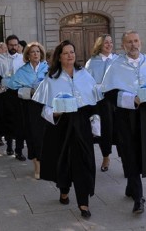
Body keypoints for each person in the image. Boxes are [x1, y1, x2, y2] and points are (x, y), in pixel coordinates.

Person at [101, 30, 146, 214]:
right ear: (123, 46)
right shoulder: (116, 65)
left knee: (141, 151)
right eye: (129, 42)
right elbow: (108, 93)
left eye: (136, 41)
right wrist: (133, 100)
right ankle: (139, 198)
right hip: (124, 116)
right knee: (129, 153)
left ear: (141, 42)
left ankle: (131, 186)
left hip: (145, 116)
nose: (133, 44)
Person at [32, 40, 101, 218]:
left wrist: (95, 124)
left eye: (72, 52)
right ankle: (64, 189)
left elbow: (94, 103)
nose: (70, 55)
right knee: (63, 160)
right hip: (61, 126)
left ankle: (83, 203)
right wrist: (55, 114)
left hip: (82, 124)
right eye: (66, 53)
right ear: (59, 57)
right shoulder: (51, 78)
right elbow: (43, 109)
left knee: (83, 161)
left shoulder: (84, 74)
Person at [2, 41, 48, 179]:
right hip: (29, 108)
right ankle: (37, 166)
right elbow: (12, 88)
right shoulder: (22, 71)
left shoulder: (48, 69)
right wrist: (28, 91)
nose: (36, 54)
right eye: (33, 52)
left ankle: (45, 163)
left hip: (45, 106)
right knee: (33, 137)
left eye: (38, 51)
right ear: (27, 55)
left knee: (45, 137)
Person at [0, 35, 25, 160]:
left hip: (20, 94)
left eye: (15, 45)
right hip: (6, 94)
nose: (13, 47)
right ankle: (9, 146)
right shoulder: (1, 58)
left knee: (20, 122)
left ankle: (19, 150)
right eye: (11, 45)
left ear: (18, 45)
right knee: (8, 120)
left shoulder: (23, 59)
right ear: (7, 45)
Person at [85, 34, 118, 172]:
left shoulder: (118, 60)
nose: (109, 45)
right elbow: (87, 82)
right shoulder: (92, 62)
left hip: (119, 99)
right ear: (100, 45)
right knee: (105, 130)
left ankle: (127, 158)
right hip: (102, 101)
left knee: (121, 130)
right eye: (106, 42)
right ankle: (106, 157)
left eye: (111, 42)